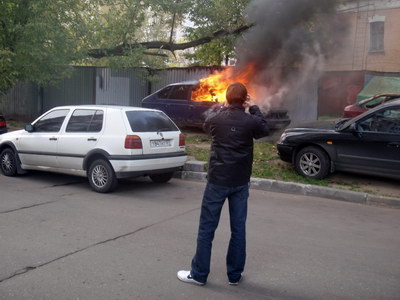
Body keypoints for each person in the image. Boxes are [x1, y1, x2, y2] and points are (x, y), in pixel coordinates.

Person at [177, 82, 269, 286]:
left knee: (206, 229)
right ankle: (234, 275)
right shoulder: (251, 121)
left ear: (227, 99)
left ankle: (199, 274)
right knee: (238, 229)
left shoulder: (216, 119)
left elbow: (206, 124)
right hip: (240, 181)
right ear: (244, 99)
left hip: (218, 180)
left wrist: (222, 107)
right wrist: (253, 107)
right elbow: (264, 129)